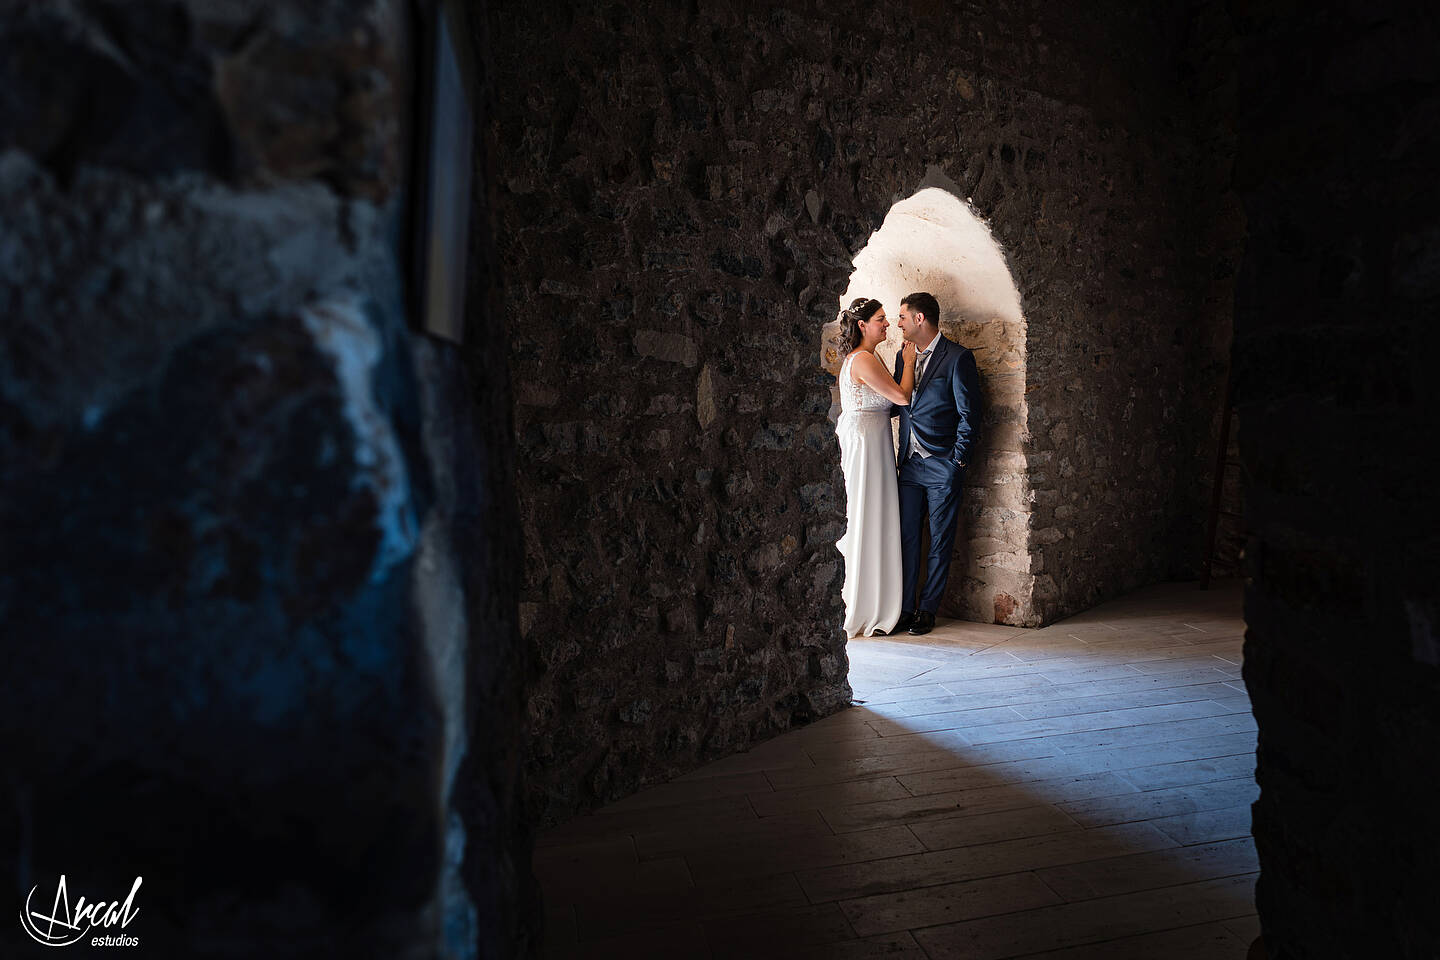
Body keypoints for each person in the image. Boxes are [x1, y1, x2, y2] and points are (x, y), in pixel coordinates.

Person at [889, 292, 981, 636]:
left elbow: (969, 416)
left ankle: (927, 610)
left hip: (942, 463)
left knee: (940, 540)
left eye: (901, 316)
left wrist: (956, 461)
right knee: (907, 538)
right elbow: (903, 401)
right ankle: (904, 608)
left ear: (919, 319)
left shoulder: (958, 358)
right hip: (909, 465)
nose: (898, 323)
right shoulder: (904, 356)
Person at [834, 298, 916, 638]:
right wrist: (909, 363)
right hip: (865, 447)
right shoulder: (864, 358)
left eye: (886, 319)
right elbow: (900, 397)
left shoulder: (870, 356)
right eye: (881, 319)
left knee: (874, 516)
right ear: (863, 325)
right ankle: (863, 605)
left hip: (874, 440)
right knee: (865, 515)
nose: (886, 325)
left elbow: (884, 405)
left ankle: (876, 599)